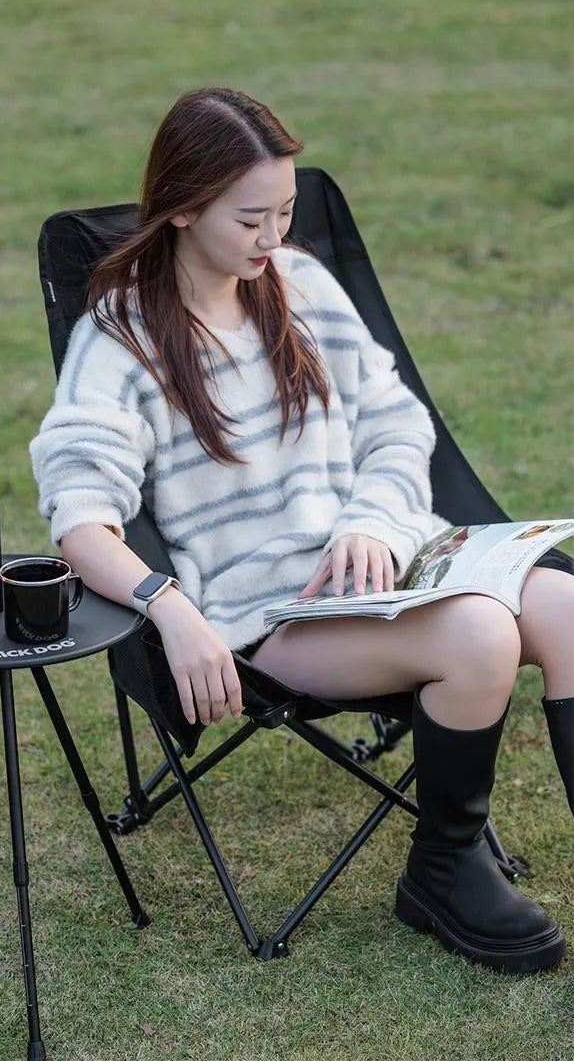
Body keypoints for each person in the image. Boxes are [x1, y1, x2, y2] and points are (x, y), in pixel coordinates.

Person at [30, 87, 574, 973]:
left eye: (285, 212)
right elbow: (80, 520)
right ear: (182, 208)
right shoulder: (121, 336)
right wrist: (171, 610)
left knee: (573, 609)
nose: (274, 237)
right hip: (270, 611)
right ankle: (443, 868)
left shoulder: (299, 283)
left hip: (391, 561)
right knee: (480, 634)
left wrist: (372, 522)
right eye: (251, 219)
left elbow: (399, 423)